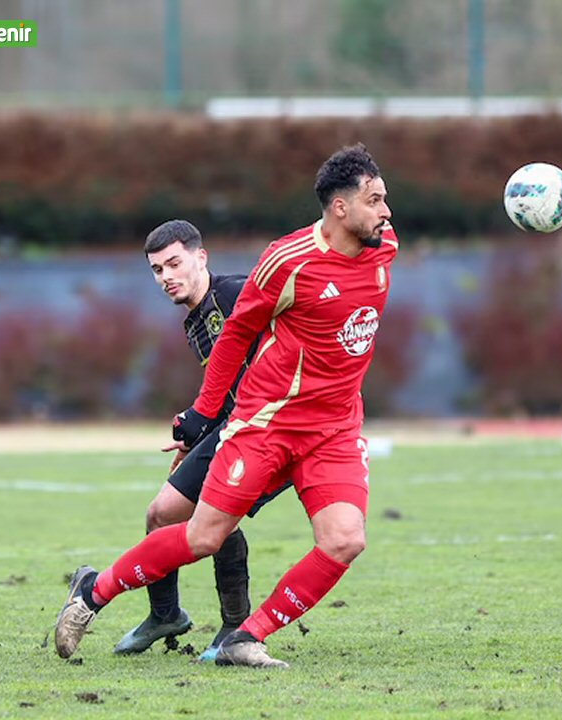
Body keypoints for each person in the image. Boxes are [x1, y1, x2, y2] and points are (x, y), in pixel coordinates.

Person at [55, 143, 397, 667]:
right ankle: (93, 593)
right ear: (339, 208)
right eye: (375, 201)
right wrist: (201, 415)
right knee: (201, 535)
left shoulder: (383, 245)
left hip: (335, 428)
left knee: (344, 540)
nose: (386, 212)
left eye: (385, 199)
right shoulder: (287, 261)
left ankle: (244, 637)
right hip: (267, 425)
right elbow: (237, 336)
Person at [111, 219, 289, 661]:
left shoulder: (231, 294)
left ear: (200, 257)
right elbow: (228, 384)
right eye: (157, 269)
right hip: (225, 430)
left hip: (270, 430)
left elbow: (290, 321)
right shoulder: (194, 321)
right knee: (159, 515)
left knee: (216, 521)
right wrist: (195, 431)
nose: (166, 276)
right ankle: (166, 615)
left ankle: (235, 627)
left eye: (174, 263)